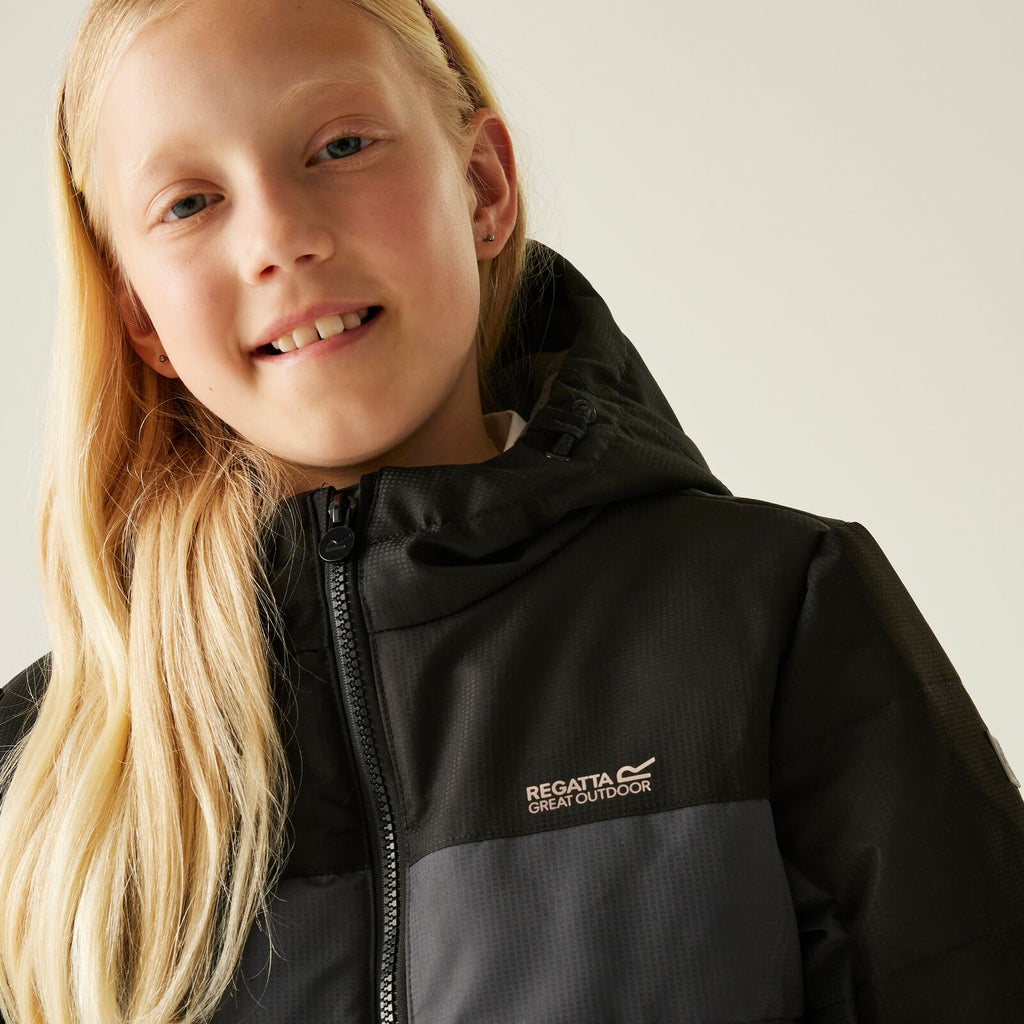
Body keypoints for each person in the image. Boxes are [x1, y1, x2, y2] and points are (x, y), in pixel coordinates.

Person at [0, 0, 1021, 1021]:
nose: (279, 237)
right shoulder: (35, 777)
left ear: (483, 185)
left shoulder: (769, 613)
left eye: (341, 146)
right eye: (188, 202)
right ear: (139, 312)